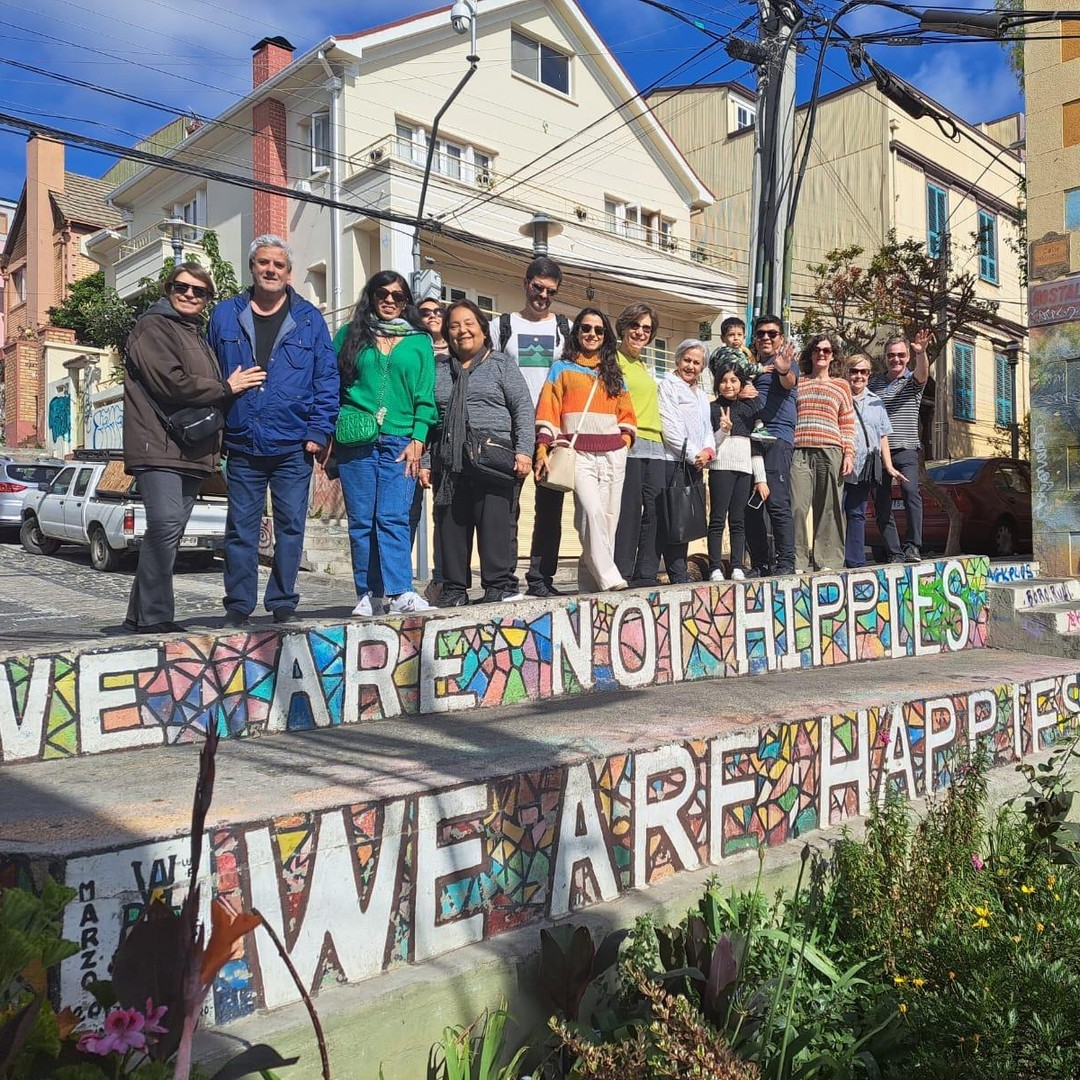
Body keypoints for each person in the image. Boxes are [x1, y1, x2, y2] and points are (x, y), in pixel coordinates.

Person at [122, 263, 265, 633]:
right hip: (158, 445)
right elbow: (172, 383)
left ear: (207, 298)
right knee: (166, 525)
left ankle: (139, 615)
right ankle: (156, 617)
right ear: (168, 288)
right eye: (181, 287)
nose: (189, 294)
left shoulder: (193, 333)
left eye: (199, 291)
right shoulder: (154, 326)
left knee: (169, 530)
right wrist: (226, 387)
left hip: (190, 448)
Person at [208, 235, 339, 626]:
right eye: (263, 263)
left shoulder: (309, 319)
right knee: (240, 530)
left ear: (288, 272)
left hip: (293, 446)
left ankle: (283, 602)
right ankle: (238, 606)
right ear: (252, 267)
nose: (270, 270)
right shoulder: (225, 315)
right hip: (243, 442)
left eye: (278, 265)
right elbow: (208, 370)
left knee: (291, 528)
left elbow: (326, 379)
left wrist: (319, 430)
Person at [333, 271, 437, 617]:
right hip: (357, 437)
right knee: (362, 520)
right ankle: (369, 594)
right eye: (383, 293)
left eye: (398, 296)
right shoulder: (349, 334)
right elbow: (331, 383)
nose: (390, 300)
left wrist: (419, 437)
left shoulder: (419, 340)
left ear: (406, 302)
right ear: (372, 296)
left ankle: (401, 591)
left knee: (393, 517)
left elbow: (425, 395)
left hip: (401, 440)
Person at [431, 300, 534, 605]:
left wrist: (524, 451)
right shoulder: (439, 371)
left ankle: (499, 586)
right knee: (451, 526)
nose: (462, 331)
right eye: (454, 326)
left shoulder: (501, 364)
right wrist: (425, 461)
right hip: (450, 461)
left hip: (494, 459)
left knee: (495, 526)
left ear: (483, 330)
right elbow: (430, 418)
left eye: (469, 323)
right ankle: (454, 589)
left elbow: (523, 409)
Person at [536, 308, 636, 592]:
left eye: (599, 330)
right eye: (586, 328)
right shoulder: (561, 368)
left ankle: (590, 589)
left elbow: (627, 415)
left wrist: (624, 443)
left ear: (605, 336)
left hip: (613, 453)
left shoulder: (613, 373)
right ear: (577, 331)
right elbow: (548, 410)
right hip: (577, 452)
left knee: (608, 521)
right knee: (590, 515)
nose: (592, 334)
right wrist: (542, 449)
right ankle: (610, 577)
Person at [497, 257, 571, 598]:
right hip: (510, 427)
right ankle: (504, 581)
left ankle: (541, 581)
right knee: (506, 507)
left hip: (552, 428)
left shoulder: (565, 328)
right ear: (525, 283)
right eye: (538, 287)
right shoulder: (502, 326)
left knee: (550, 511)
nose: (543, 296)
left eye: (550, 291)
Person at [791, 333, 855, 573]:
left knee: (829, 507)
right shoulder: (798, 382)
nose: (821, 353)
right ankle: (795, 560)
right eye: (817, 349)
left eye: (826, 350)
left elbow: (847, 423)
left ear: (833, 356)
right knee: (797, 506)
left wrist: (849, 454)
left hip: (831, 450)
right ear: (810, 354)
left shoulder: (841, 385)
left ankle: (827, 561)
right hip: (800, 450)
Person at [613, 302, 666, 588]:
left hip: (656, 445)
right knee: (628, 512)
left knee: (655, 512)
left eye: (647, 328)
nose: (640, 332)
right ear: (624, 327)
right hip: (629, 443)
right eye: (635, 325)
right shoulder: (613, 360)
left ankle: (646, 573)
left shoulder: (645, 365)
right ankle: (622, 572)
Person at [868, 329, 931, 563]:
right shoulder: (874, 383)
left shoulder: (912, 381)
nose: (896, 359)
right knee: (881, 502)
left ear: (908, 357)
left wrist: (921, 353)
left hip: (906, 448)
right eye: (891, 355)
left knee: (910, 492)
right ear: (885, 357)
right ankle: (894, 552)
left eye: (901, 355)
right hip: (877, 451)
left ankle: (912, 546)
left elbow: (923, 373)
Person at [743, 314, 798, 576]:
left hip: (776, 438)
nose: (766, 337)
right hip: (750, 439)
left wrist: (784, 369)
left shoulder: (785, 362)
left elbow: (789, 381)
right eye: (761, 333)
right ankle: (760, 564)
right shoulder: (752, 367)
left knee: (776, 501)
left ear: (781, 338)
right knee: (750, 504)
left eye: (772, 333)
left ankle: (786, 562)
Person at [706, 351, 768, 581]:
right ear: (717, 384)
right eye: (723, 381)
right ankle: (714, 567)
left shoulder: (749, 409)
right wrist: (723, 430)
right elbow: (709, 445)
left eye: (733, 380)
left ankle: (737, 566)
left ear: (741, 383)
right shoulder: (712, 408)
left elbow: (756, 446)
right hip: (720, 468)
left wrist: (760, 478)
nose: (728, 385)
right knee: (717, 519)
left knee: (738, 520)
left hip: (744, 470)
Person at [657, 340, 713, 584]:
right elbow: (670, 427)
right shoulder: (668, 386)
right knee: (673, 518)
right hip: (674, 461)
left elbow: (706, 428)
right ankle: (675, 573)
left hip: (695, 464)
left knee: (686, 520)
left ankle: (679, 573)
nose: (690, 366)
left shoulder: (701, 395)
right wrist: (693, 455)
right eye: (687, 360)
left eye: (696, 362)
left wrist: (708, 452)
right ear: (678, 360)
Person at [844, 353, 904, 568]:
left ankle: (861, 560)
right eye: (854, 371)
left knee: (866, 511)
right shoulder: (840, 397)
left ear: (869, 375)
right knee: (843, 512)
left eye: (863, 372)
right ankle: (842, 560)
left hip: (868, 465)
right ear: (847, 373)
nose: (858, 376)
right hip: (844, 463)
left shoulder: (876, 402)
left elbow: (883, 436)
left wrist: (889, 466)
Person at [416, 298, 450, 604]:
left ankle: (445, 580)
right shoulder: (414, 349)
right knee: (408, 516)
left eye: (438, 311)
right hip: (417, 439)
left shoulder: (458, 353)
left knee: (447, 514)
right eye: (425, 312)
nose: (432, 316)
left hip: (450, 443)